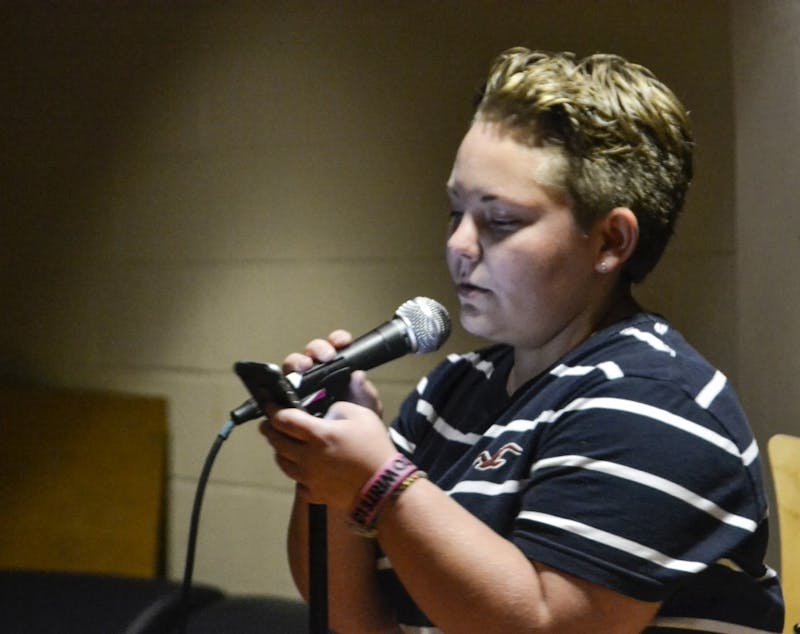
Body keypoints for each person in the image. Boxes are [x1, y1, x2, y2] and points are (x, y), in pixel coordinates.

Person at [260, 48, 785, 633]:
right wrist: (328, 474)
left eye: (500, 220)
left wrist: (380, 483)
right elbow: (352, 619)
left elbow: (545, 625)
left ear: (611, 242)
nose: (459, 244)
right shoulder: (451, 390)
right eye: (454, 210)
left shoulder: (656, 401)